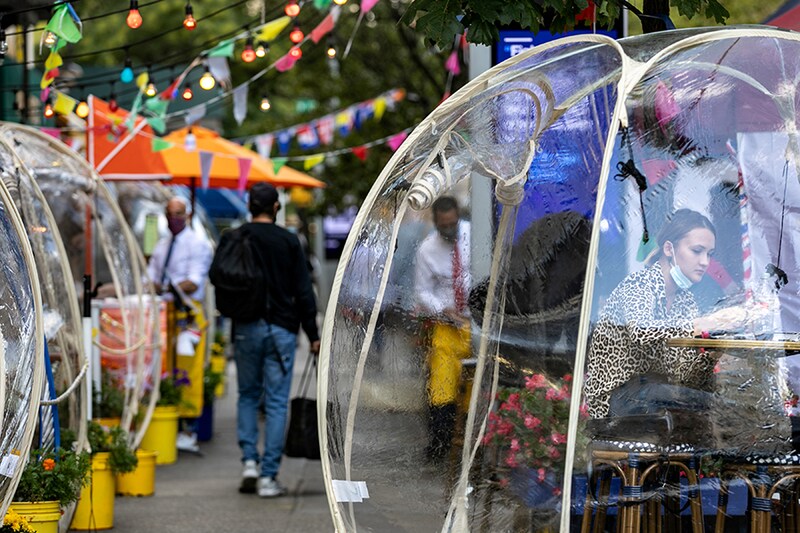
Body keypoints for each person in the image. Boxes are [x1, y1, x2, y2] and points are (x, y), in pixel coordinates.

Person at [585, 208, 748, 420]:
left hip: (652, 397)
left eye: (709, 254)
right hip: (613, 402)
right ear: (669, 249)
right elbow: (641, 332)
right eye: (697, 251)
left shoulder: (686, 301)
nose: (705, 262)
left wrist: (712, 350)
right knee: (710, 406)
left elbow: (683, 377)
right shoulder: (639, 285)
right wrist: (703, 324)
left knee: (717, 403)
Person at [226, 182, 320, 497]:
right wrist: (313, 334)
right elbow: (304, 291)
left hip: (245, 328)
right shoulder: (289, 241)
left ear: (250, 206)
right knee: (278, 402)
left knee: (248, 396)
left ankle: (248, 461)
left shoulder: (236, 237)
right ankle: (268, 477)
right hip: (281, 329)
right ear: (276, 207)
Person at [147, 196, 213, 453]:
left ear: (186, 215)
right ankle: (169, 421)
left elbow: (194, 282)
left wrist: (165, 287)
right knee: (165, 369)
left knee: (187, 372)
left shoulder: (198, 245)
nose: (173, 218)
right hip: (165, 313)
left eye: (178, 213)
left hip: (188, 315)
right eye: (169, 213)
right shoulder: (162, 246)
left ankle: (189, 428)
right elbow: (149, 277)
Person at [414, 196, 471, 461]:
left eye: (453, 224)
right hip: (446, 327)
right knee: (441, 388)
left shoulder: (475, 234)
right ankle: (440, 444)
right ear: (436, 223)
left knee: (473, 388)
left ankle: (472, 445)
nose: (450, 230)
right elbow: (422, 291)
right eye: (444, 226)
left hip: (475, 324)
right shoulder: (427, 250)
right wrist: (441, 309)